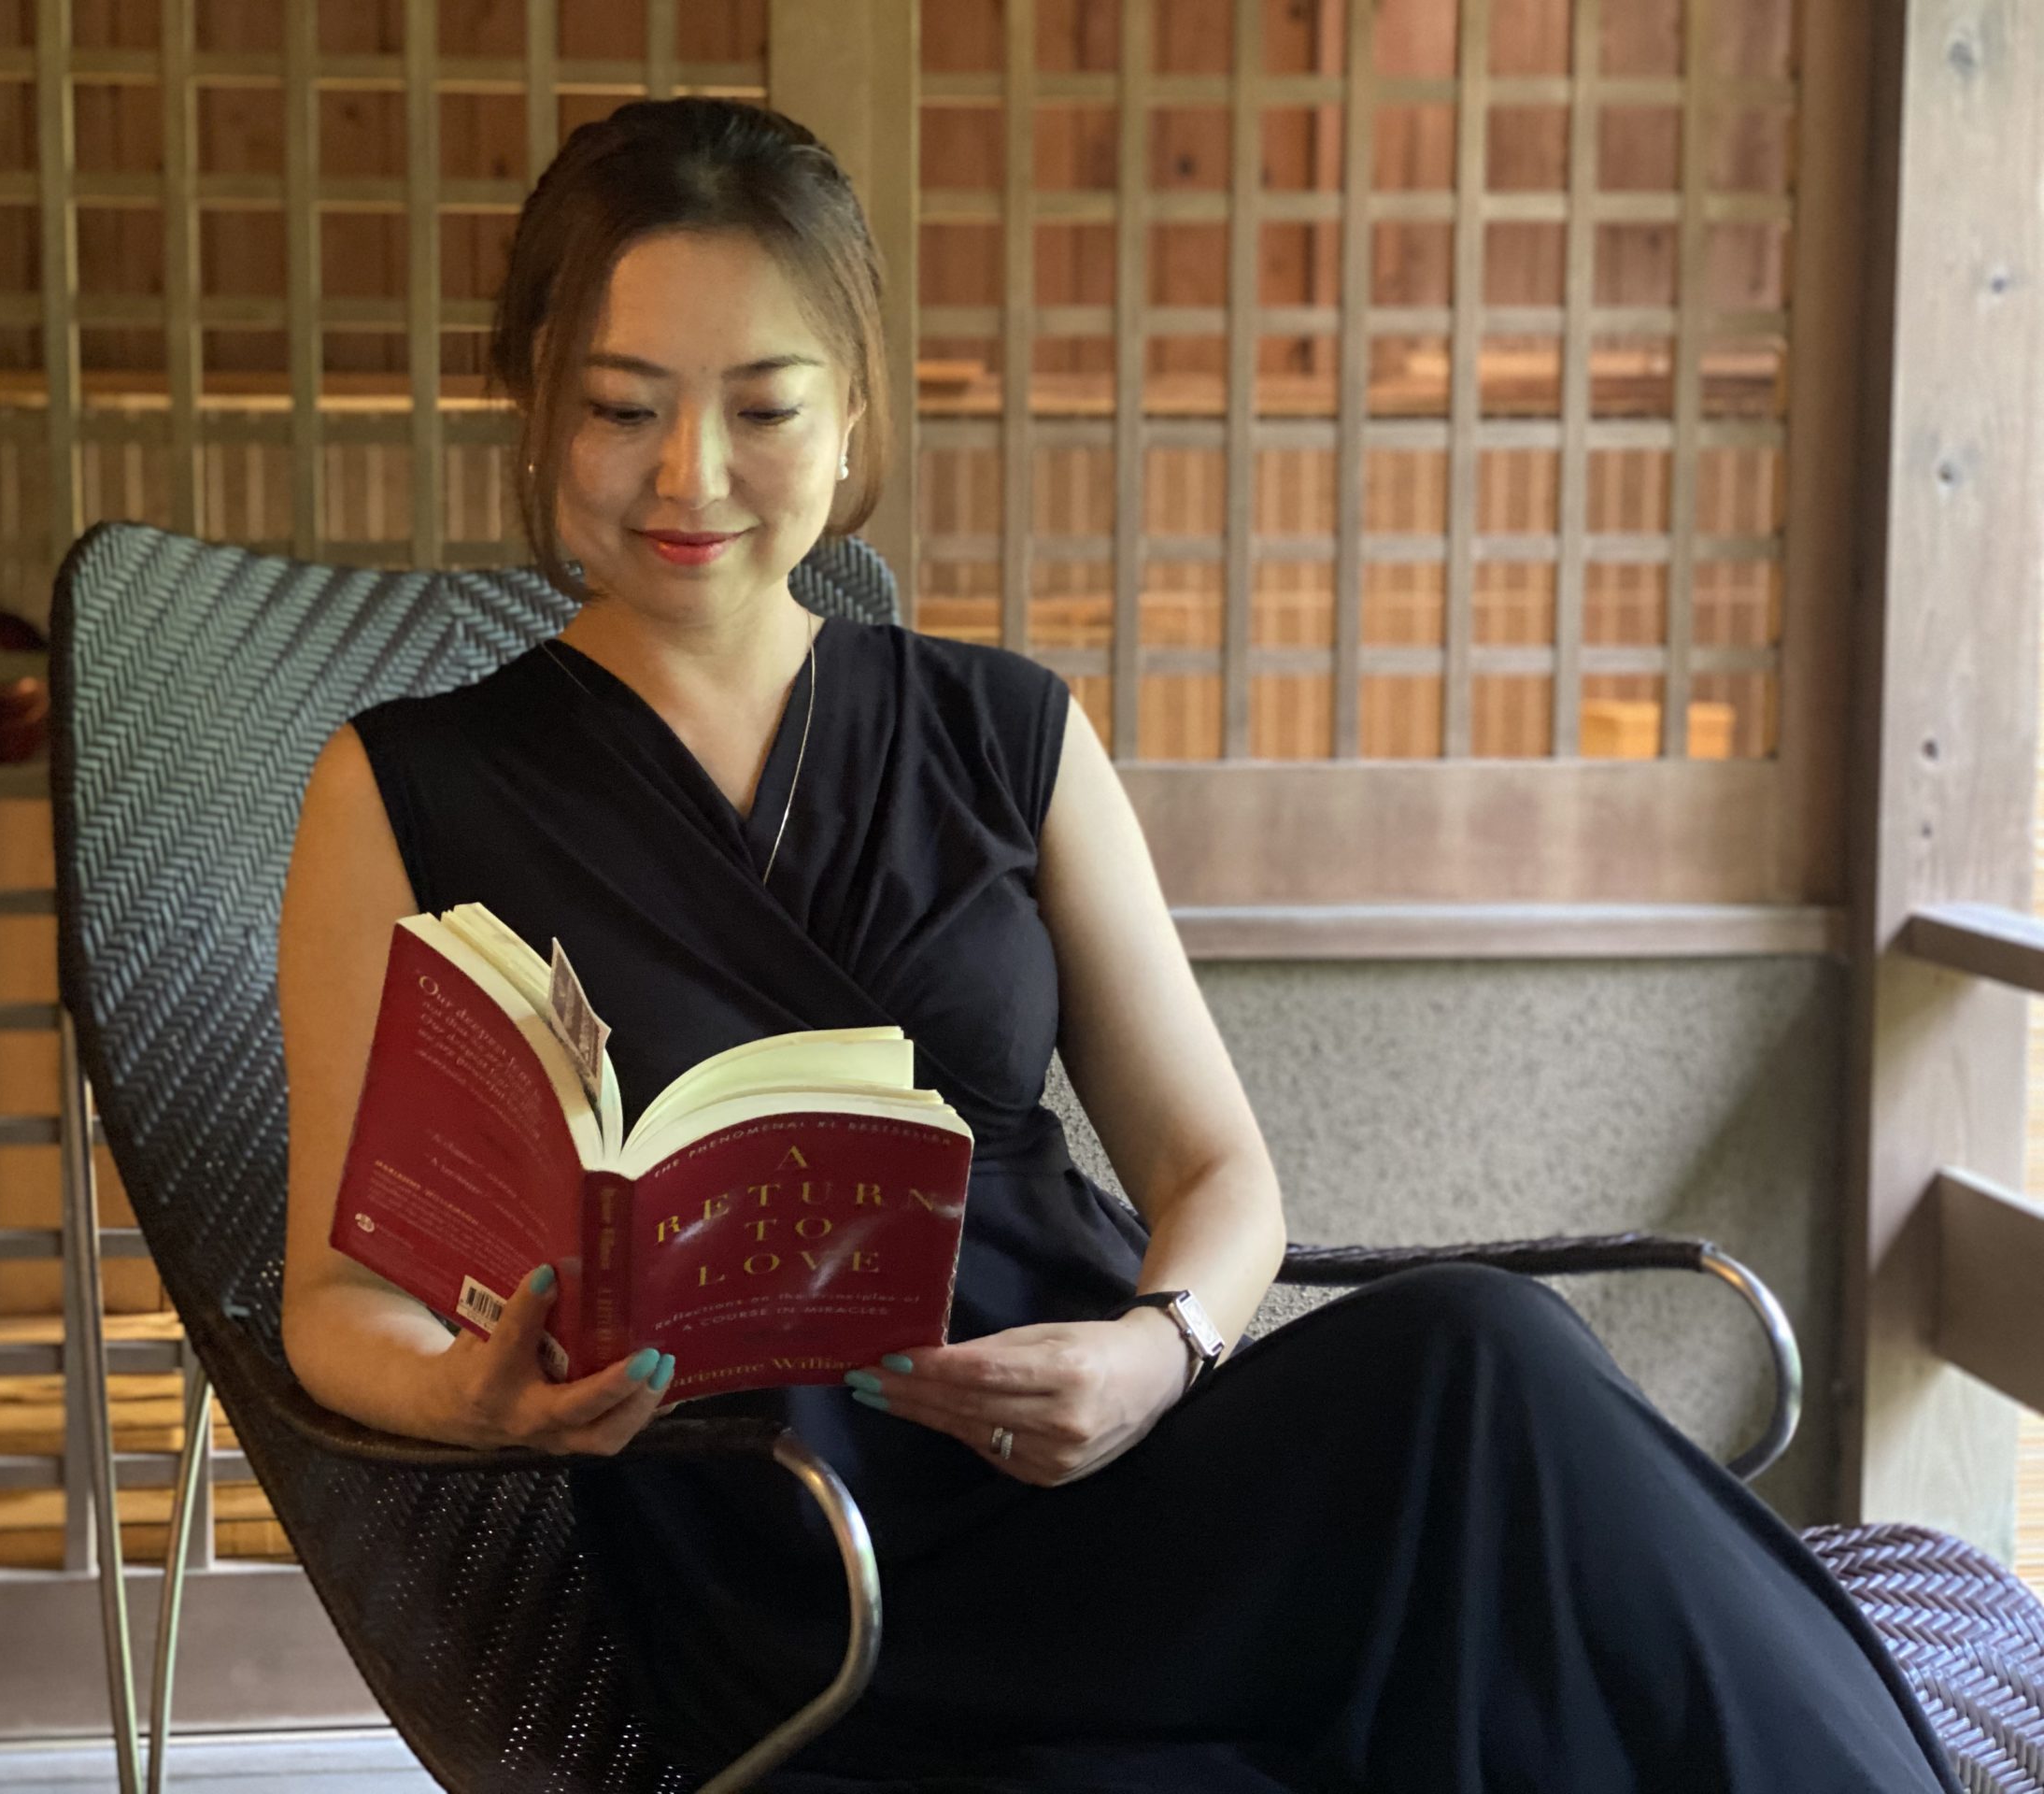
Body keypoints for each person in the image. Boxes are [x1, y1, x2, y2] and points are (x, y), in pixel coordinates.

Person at [276, 96, 1960, 1793]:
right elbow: (339, 1300)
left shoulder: (1008, 732)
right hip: (807, 1581)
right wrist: (470, 1399)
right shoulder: (407, 790)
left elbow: (1219, 1174)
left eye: (764, 407)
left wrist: (1159, 1353)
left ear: (852, 413)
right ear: (537, 406)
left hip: (1119, 1465)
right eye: (622, 407)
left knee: (1476, 1350)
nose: (690, 476)